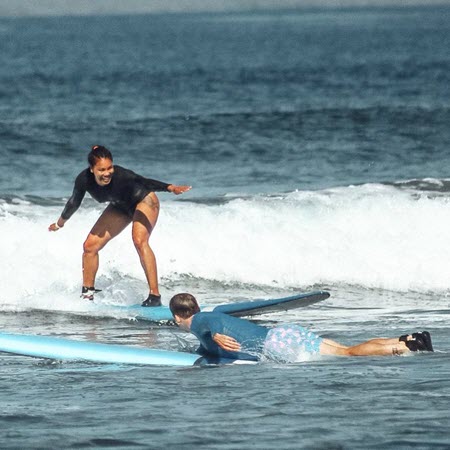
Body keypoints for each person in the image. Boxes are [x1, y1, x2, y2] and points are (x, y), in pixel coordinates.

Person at [48, 145, 191, 306]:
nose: (107, 173)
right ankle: (87, 295)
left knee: (139, 240)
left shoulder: (122, 175)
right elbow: (74, 202)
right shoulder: (83, 180)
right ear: (92, 169)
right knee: (90, 246)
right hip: (120, 207)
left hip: (144, 201)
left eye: (109, 168)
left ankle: (154, 296)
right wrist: (59, 224)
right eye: (101, 169)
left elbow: (144, 182)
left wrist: (170, 188)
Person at [169, 293, 434, 362]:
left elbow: (209, 325)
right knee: (346, 348)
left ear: (179, 315)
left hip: (278, 345)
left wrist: (215, 335)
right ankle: (409, 339)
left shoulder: (201, 321)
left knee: (348, 354)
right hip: (284, 334)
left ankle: (402, 349)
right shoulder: (208, 322)